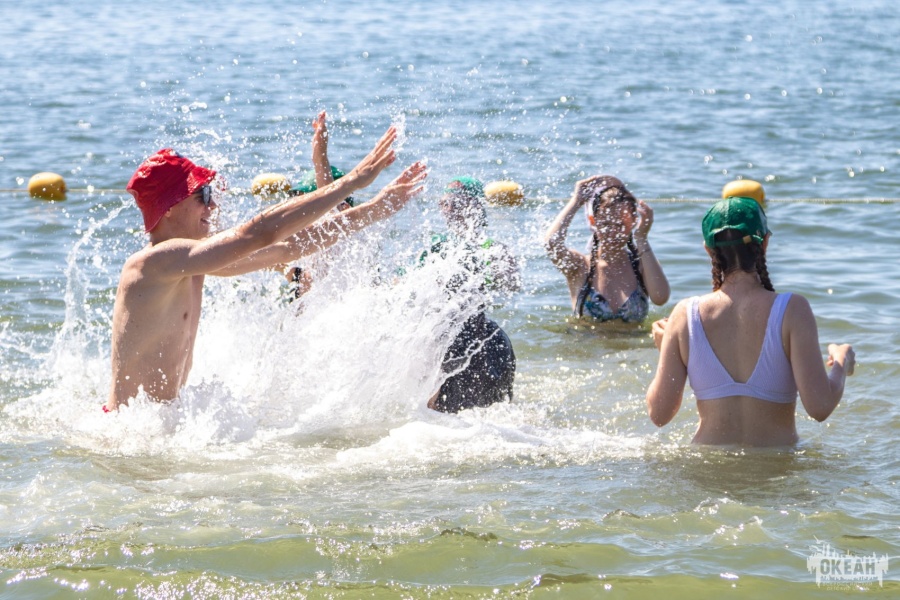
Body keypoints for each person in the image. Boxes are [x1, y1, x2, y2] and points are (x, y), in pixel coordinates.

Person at [107, 124, 427, 411]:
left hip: (158, 426)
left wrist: (375, 209)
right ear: (169, 207)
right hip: (132, 435)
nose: (213, 205)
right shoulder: (153, 263)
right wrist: (351, 182)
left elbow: (288, 246)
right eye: (202, 195)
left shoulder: (189, 263)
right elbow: (257, 234)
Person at [645, 196, 855, 446]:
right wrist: (841, 361)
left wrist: (667, 349)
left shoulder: (685, 315)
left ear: (708, 249)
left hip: (708, 465)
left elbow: (659, 414)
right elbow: (820, 407)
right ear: (764, 242)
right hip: (776, 465)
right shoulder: (793, 309)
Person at [425, 177, 520, 413]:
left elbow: (511, 285)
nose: (449, 209)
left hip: (482, 337)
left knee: (490, 412)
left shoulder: (493, 248)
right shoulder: (436, 245)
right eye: (444, 203)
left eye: (457, 203)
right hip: (441, 335)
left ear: (476, 206)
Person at [544, 175, 669, 323]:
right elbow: (552, 243)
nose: (613, 232)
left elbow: (660, 298)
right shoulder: (580, 267)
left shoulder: (641, 265)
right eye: (605, 224)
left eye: (620, 225)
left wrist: (642, 238)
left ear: (633, 222)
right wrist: (576, 201)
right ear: (593, 221)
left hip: (634, 339)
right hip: (584, 338)